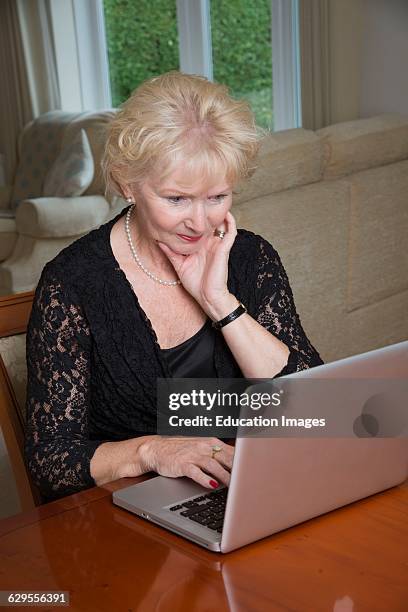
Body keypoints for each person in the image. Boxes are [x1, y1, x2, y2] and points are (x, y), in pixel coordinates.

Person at [25, 71, 323, 502]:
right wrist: (151, 451)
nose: (200, 223)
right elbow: (49, 459)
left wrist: (219, 301)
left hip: (253, 493)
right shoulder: (73, 284)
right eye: (176, 199)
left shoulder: (250, 258)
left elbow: (312, 411)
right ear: (129, 184)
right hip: (133, 518)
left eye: (216, 197)